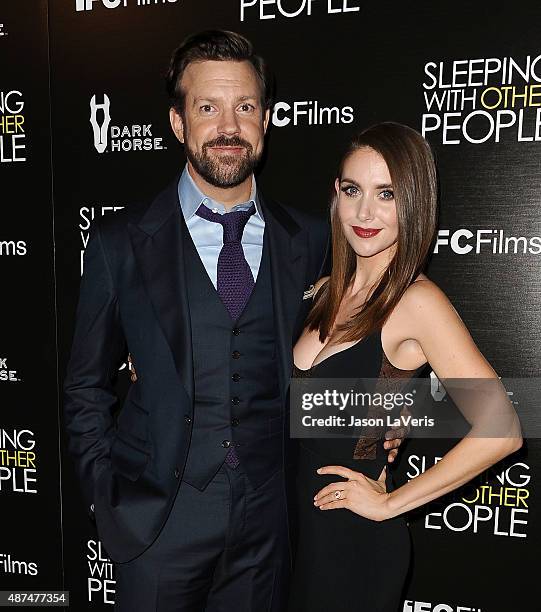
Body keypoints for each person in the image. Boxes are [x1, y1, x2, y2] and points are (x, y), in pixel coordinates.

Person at [63, 31, 404, 611]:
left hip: (269, 524)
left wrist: (389, 420)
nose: (228, 126)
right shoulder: (120, 244)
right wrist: (107, 495)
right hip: (157, 524)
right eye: (207, 107)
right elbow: (84, 385)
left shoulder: (316, 241)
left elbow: (376, 347)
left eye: (244, 107)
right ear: (177, 123)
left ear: (266, 120)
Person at [288, 122, 522, 612]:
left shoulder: (416, 301)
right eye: (353, 190)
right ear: (337, 194)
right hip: (289, 535)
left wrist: (391, 503)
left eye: (387, 193)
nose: (365, 212)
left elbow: (501, 427)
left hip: (352, 547)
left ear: (412, 201)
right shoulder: (321, 290)